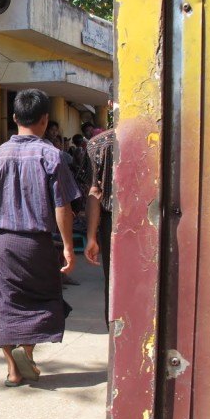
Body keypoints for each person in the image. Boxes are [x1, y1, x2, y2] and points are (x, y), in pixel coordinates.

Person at [0, 89, 80, 387]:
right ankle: (28, 353)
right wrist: (69, 248)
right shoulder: (52, 155)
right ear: (45, 120)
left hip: (5, 243)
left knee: (5, 302)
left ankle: (12, 369)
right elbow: (63, 206)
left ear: (15, 117)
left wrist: (7, 207)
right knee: (41, 300)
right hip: (38, 244)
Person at [85, 125, 116, 323]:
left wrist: (91, 237)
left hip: (112, 224)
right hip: (151, 221)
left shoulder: (98, 143)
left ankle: (114, 333)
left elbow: (95, 192)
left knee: (113, 282)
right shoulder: (156, 135)